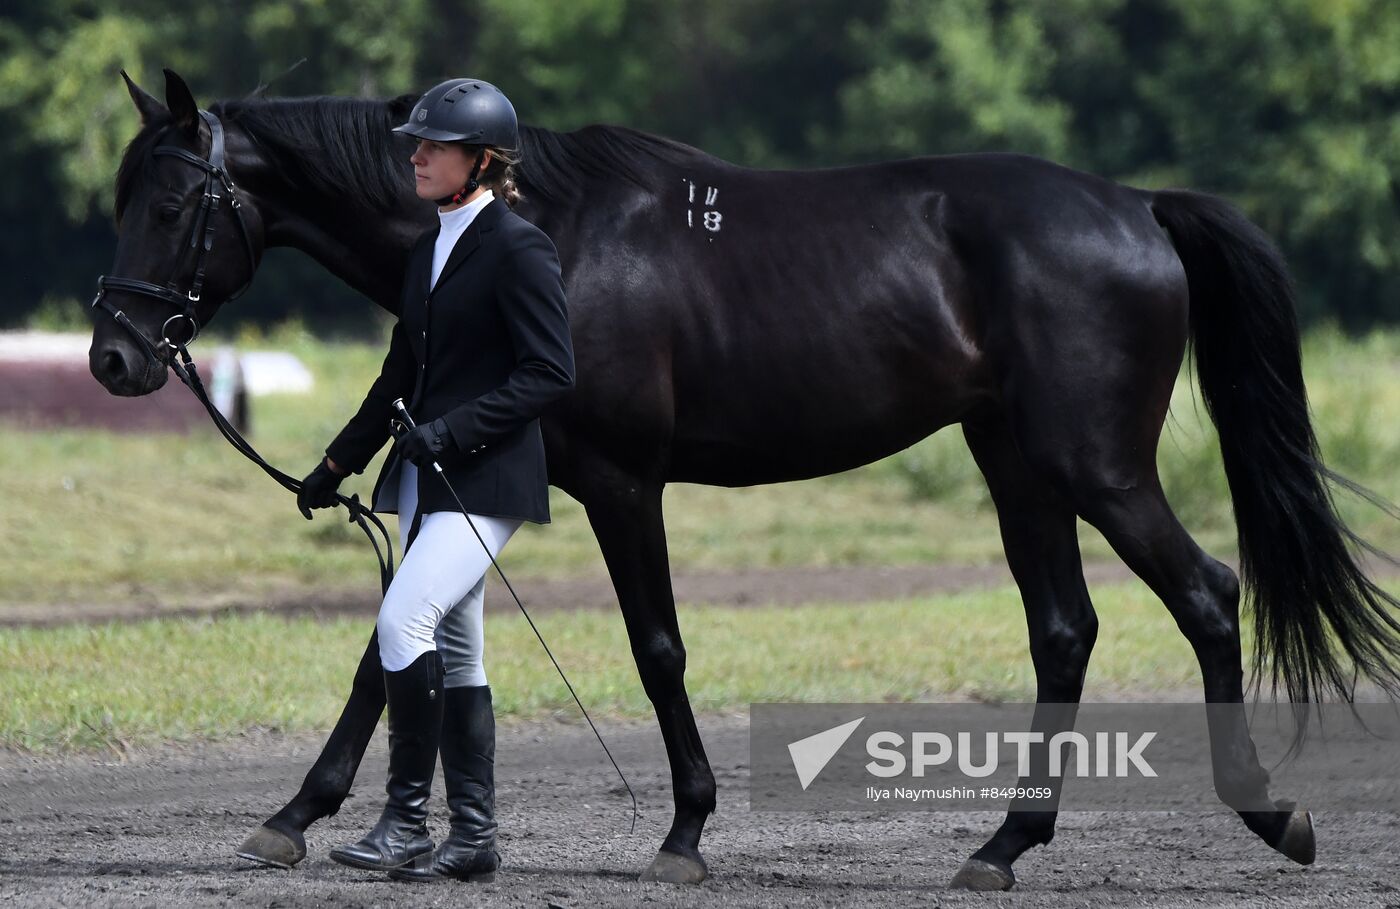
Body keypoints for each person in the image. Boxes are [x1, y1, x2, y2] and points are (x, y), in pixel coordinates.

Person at [295, 77, 575, 884]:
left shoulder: (521, 248)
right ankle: (474, 837)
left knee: (401, 623)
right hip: (427, 481)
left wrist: (452, 428)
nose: (415, 156)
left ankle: (407, 822)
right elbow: (398, 377)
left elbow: (551, 372)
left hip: (488, 481)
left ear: (480, 162)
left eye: (433, 146)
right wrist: (336, 462)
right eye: (415, 143)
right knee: (458, 653)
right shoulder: (426, 249)